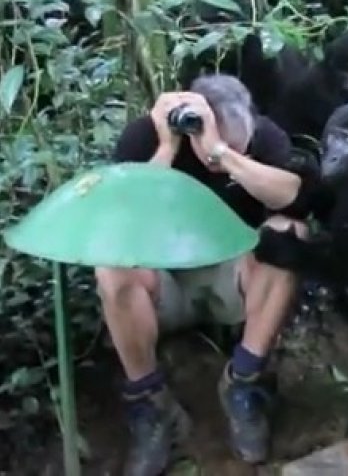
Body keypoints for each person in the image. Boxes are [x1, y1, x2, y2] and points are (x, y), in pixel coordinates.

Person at [95, 74, 313, 475]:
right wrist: (166, 148)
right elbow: (120, 216)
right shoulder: (146, 138)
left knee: (289, 234)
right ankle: (151, 403)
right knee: (110, 263)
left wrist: (222, 153)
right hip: (164, 281)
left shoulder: (264, 137)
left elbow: (296, 198)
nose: (220, 155)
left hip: (232, 277)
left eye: (240, 142)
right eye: (218, 143)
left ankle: (244, 381)